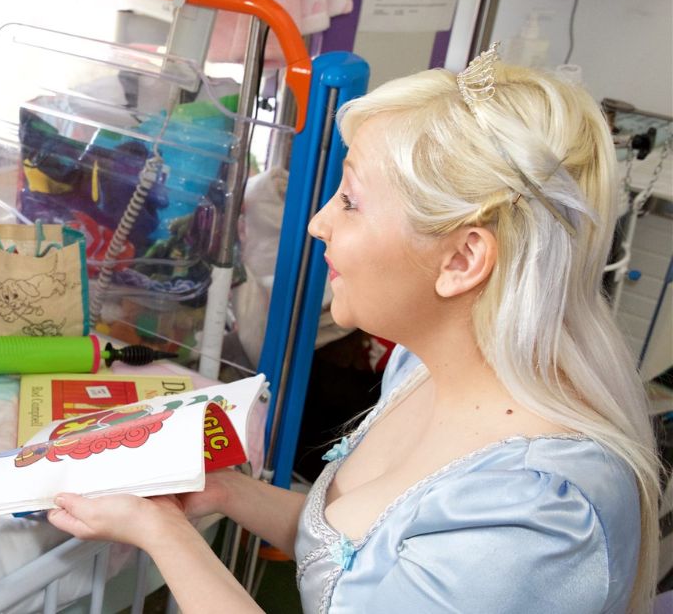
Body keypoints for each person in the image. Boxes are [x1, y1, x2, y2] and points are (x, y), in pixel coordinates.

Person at [48, 45, 659, 613]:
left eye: (351, 200)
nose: (317, 224)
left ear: (463, 259)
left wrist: (162, 533)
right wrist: (230, 494)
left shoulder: (530, 519)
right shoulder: (420, 369)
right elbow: (358, 553)